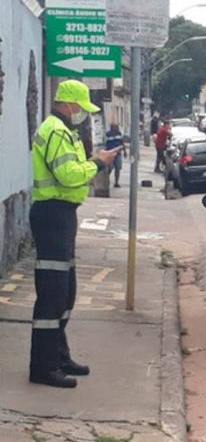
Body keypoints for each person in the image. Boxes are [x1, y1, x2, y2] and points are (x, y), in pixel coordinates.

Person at [29, 80, 118, 388]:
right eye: (81, 108)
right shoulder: (55, 131)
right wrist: (98, 163)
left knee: (66, 294)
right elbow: (68, 176)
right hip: (52, 215)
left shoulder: (65, 131)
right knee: (52, 295)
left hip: (63, 215)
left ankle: (59, 355)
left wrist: (94, 160)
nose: (82, 114)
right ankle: (43, 367)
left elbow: (74, 168)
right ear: (69, 105)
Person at [104, 122, 127, 188]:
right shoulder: (107, 134)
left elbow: (122, 143)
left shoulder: (119, 134)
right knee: (110, 168)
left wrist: (125, 151)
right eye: (115, 127)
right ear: (112, 127)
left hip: (118, 153)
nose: (117, 128)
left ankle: (116, 182)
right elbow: (105, 144)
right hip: (110, 153)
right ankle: (106, 181)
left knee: (118, 168)